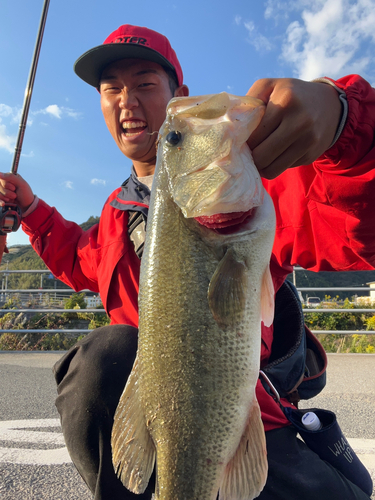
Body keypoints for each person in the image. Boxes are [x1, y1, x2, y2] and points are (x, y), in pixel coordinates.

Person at [0, 24, 374, 500]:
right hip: (158, 428)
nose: (127, 100)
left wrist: (344, 122)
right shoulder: (115, 218)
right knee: (101, 359)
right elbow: (78, 257)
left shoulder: (253, 186)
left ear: (180, 94)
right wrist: (31, 212)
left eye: (145, 84)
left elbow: (354, 230)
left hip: (247, 423)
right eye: (111, 88)